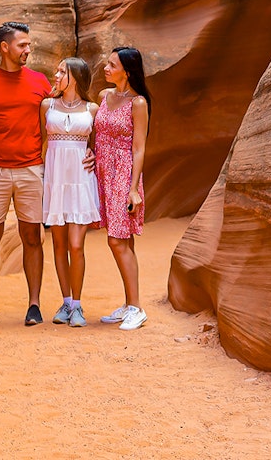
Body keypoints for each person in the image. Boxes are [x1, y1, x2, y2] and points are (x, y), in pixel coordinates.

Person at [0, 22, 54, 326]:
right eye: (22, 45)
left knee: (32, 237)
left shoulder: (40, 81)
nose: (28, 50)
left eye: (29, 45)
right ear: (4, 47)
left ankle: (34, 304)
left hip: (30, 169)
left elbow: (57, 122)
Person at [39, 58, 102, 328]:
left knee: (76, 245)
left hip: (80, 180)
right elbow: (42, 142)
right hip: (55, 179)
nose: (56, 75)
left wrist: (94, 155)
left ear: (75, 77)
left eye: (62, 71)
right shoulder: (47, 105)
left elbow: (100, 144)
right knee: (58, 244)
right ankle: (65, 302)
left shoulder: (93, 109)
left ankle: (77, 305)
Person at [93, 46, 151, 331]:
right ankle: (130, 304)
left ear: (127, 72)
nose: (105, 67)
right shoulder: (105, 96)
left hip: (124, 173)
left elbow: (139, 148)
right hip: (103, 171)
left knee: (116, 240)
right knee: (124, 241)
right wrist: (94, 153)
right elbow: (99, 134)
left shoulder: (138, 103)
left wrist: (133, 189)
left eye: (111, 64)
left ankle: (137, 308)